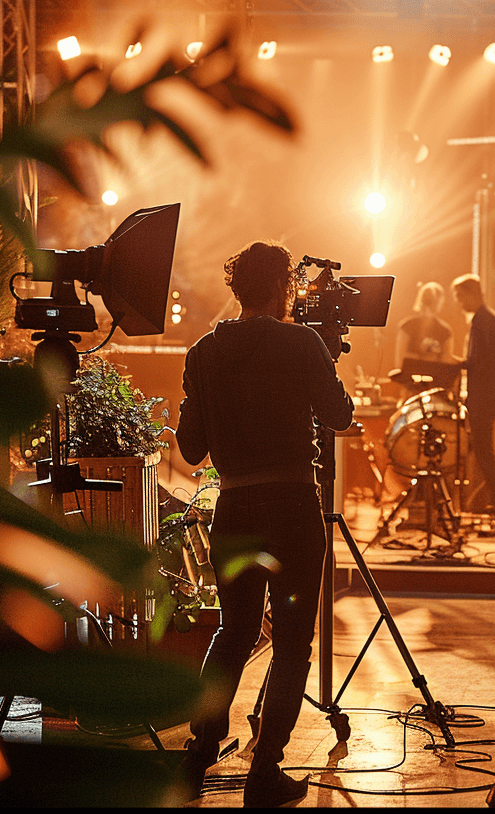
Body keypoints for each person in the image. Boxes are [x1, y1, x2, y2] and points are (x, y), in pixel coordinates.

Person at [175, 240, 354, 807]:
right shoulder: (302, 342)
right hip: (293, 508)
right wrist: (321, 360)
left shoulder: (202, 351)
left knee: (234, 632)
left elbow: (192, 446)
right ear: (284, 288)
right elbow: (340, 414)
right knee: (293, 644)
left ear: (236, 288)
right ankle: (264, 773)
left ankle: (199, 753)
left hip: (235, 507)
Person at [451, 274, 495, 515]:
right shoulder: (491, 319)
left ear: (473, 294)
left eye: (460, 296)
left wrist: (453, 364)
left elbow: (477, 362)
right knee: (484, 451)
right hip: (491, 393)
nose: (459, 302)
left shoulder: (480, 321)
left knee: (485, 452)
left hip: (483, 394)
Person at [394, 281, 454, 368]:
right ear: (440, 302)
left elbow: (399, 362)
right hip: (410, 378)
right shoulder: (406, 327)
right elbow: (400, 362)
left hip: (431, 378)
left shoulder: (445, 331)